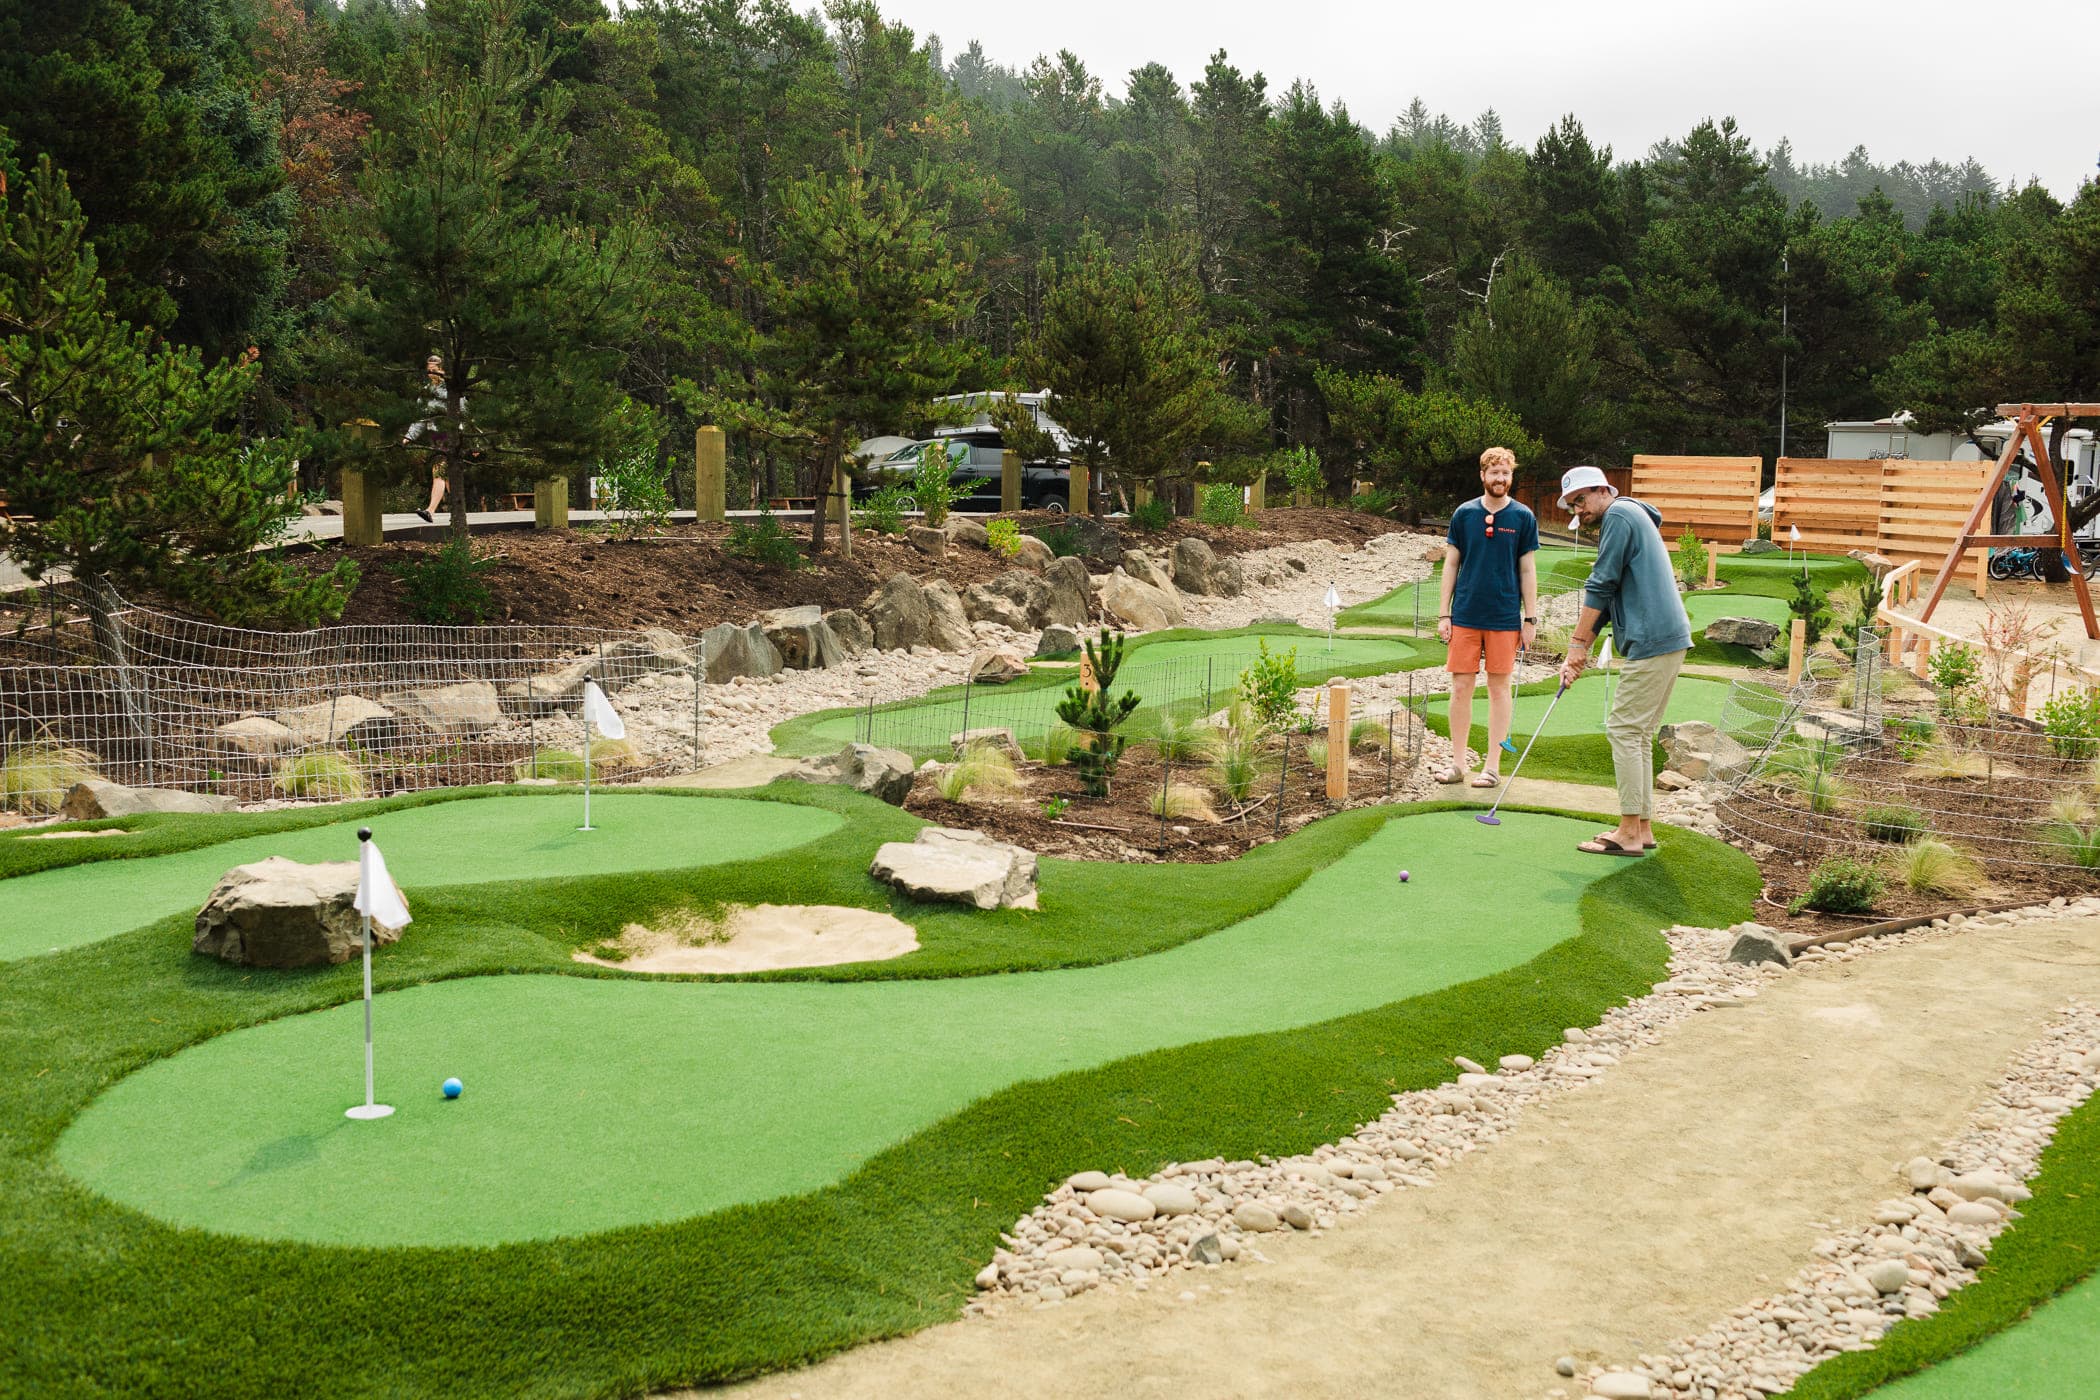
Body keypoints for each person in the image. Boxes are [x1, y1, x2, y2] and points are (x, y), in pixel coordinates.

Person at [1556, 465, 1693, 856]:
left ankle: (1629, 831)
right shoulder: (1633, 515)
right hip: (1666, 637)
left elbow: (1601, 584)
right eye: (1572, 506)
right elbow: (1610, 592)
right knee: (1639, 733)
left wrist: (1577, 645)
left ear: (1602, 490)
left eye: (1580, 501)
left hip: (1653, 638)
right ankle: (1642, 828)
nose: (1578, 511)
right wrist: (1580, 650)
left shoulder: (1617, 515)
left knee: (1623, 730)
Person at [1436, 446, 1539, 787]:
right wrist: (1444, 614)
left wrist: (1530, 619)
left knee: (1499, 689)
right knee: (1461, 687)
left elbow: (1527, 570)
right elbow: (1451, 564)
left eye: (1505, 473)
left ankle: (1492, 767)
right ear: (1483, 475)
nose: (1500, 478)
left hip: (1504, 616)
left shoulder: (1523, 517)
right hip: (1465, 614)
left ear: (1511, 476)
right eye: (1494, 472)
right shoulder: (1464, 514)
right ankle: (1457, 764)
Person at [403, 354, 457, 523]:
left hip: (451, 433)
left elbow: (465, 413)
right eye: (429, 371)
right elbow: (420, 418)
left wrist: (477, 441)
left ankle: (430, 511)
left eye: (435, 370)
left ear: (442, 370)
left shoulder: (451, 389)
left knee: (439, 472)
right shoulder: (426, 392)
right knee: (448, 477)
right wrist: (409, 436)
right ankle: (458, 510)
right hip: (436, 436)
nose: (432, 374)